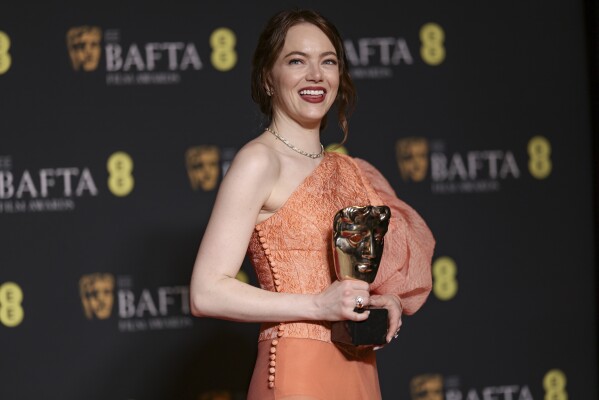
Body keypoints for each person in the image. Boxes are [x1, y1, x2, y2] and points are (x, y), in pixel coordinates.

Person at [189, 8, 435, 400]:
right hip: (296, 370)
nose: (316, 75)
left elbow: (354, 281)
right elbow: (206, 292)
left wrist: (383, 302)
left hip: (359, 368)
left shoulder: (349, 170)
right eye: (296, 61)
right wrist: (319, 305)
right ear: (269, 78)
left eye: (328, 62)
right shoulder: (259, 162)